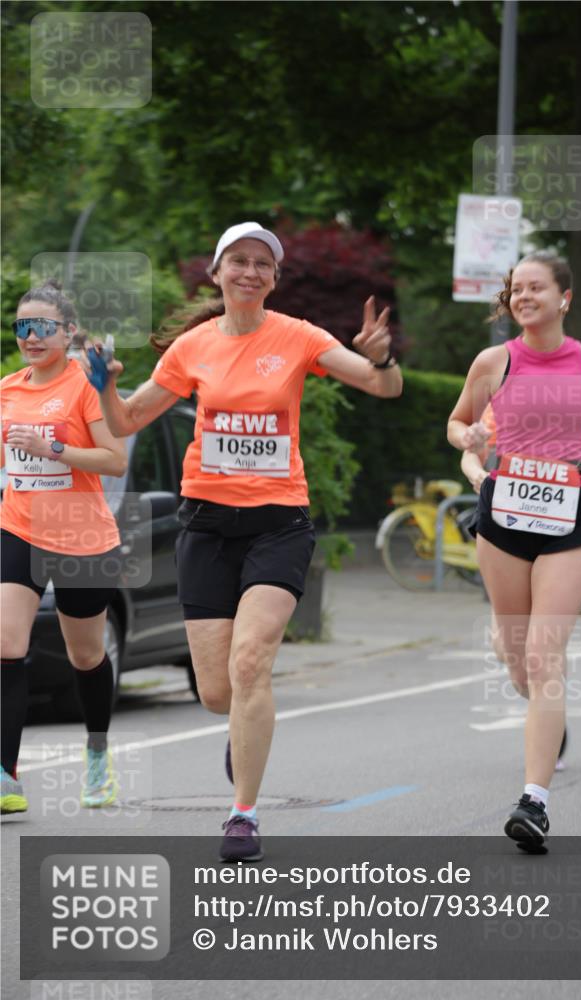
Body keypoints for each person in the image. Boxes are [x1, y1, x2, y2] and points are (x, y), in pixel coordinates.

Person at [81, 221, 403, 861]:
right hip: (204, 525)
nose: (250, 272)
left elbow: (381, 386)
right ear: (218, 274)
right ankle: (242, 724)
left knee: (251, 662)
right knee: (218, 693)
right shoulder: (192, 347)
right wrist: (105, 386)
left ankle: (243, 814)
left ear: (274, 279)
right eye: (239, 262)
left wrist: (381, 355)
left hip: (278, 522)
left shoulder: (299, 336)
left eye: (262, 264)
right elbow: (127, 421)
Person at [447, 250, 581, 851]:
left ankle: (534, 802)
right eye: (517, 289)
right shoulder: (494, 362)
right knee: (517, 655)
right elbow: (458, 422)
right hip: (505, 515)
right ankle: (548, 722)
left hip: (571, 515)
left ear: (564, 297)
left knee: (546, 656)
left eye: (536, 287)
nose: (524, 297)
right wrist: (468, 440)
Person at [1, 280, 127, 814]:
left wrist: (53, 447)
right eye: (22, 326)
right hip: (20, 527)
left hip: (80, 533)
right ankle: (6, 777)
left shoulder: (85, 387)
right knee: (6, 646)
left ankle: (97, 751)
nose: (31, 336)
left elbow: (115, 459)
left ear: (67, 331)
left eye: (43, 326)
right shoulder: (7, 387)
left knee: (86, 654)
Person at [460, 400, 581, 771]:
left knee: (544, 652)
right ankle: (548, 705)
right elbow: (472, 456)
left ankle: (548, 716)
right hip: (506, 535)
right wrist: (476, 473)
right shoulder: (506, 404)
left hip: (563, 536)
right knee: (512, 658)